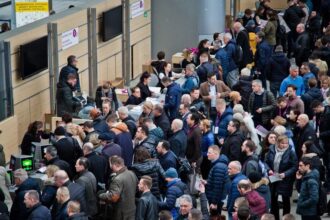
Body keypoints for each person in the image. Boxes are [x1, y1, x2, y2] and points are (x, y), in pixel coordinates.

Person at [264, 135, 298, 220]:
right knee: (273, 199)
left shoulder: (291, 152)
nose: (285, 145)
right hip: (273, 177)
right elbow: (266, 162)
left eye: (286, 143)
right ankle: (275, 217)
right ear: (278, 143)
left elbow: (294, 166)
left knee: (285, 199)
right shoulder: (271, 149)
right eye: (283, 143)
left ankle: (286, 218)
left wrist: (285, 174)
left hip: (285, 179)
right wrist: (269, 170)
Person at [99, 156, 138, 220]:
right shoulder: (132, 173)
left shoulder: (117, 179)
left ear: (114, 165)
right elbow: (136, 189)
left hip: (121, 213)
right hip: (132, 209)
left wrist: (101, 195)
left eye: (110, 165)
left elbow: (114, 197)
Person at [202, 145, 230, 216]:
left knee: (215, 216)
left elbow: (218, 186)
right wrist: (207, 182)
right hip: (216, 197)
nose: (207, 154)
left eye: (209, 153)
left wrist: (214, 203)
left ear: (216, 154)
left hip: (216, 199)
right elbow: (216, 180)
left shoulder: (219, 167)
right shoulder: (216, 164)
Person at [311, 100, 330, 190]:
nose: (314, 112)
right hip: (323, 142)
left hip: (328, 142)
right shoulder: (319, 114)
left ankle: (328, 186)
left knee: (329, 165)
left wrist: (320, 134)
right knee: (326, 164)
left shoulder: (328, 114)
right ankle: (327, 183)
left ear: (319, 106)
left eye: (315, 110)